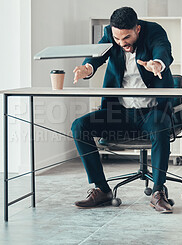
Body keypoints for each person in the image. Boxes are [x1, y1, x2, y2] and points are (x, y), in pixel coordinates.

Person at [71, 6, 174, 213]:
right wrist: (87, 68)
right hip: (119, 113)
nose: (121, 43)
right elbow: (98, 55)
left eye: (126, 38)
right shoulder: (110, 34)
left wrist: (158, 64)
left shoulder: (154, 31)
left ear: (137, 28)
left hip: (151, 111)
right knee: (79, 126)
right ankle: (101, 189)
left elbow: (162, 49)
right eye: (118, 39)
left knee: (161, 125)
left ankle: (158, 192)